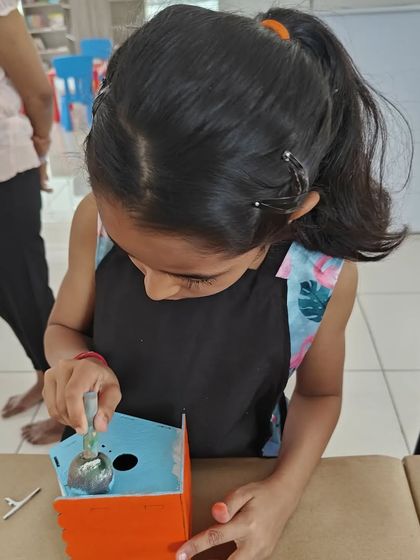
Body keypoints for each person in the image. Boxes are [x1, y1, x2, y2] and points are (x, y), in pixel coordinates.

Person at [42, 6, 408, 559]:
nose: (155, 290)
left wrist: (284, 493)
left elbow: (320, 393)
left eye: (193, 277)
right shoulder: (94, 221)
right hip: (116, 470)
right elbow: (64, 327)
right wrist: (76, 362)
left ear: (286, 218)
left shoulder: (316, 279)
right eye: (134, 258)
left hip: (235, 473)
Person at [0, 0, 63, 444]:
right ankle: (46, 376)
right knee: (8, 293)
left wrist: (39, 147)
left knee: (24, 287)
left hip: (5, 167)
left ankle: (62, 400)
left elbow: (39, 93)